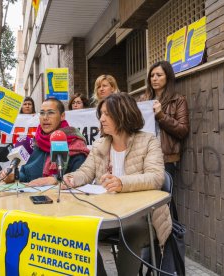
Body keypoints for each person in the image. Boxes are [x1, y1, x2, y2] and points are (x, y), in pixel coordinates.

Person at [63, 93, 172, 276]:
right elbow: (85, 172)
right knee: (77, 233)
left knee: (131, 233)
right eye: (101, 114)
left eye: (107, 114)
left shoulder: (148, 141)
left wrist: (122, 183)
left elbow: (156, 177)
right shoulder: (100, 145)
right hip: (108, 214)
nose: (102, 119)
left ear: (123, 114)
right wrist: (72, 179)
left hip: (143, 216)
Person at [0, 98, 89, 185]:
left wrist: (56, 180)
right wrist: (13, 176)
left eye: (50, 113)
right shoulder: (34, 143)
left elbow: (82, 178)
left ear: (62, 116)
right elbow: (26, 175)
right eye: (42, 113)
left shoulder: (75, 144)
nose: (45, 118)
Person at [139, 60, 189, 180]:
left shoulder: (178, 100)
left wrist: (161, 116)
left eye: (159, 75)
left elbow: (183, 130)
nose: (154, 78)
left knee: (163, 194)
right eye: (152, 75)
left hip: (165, 158)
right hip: (144, 154)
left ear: (168, 77)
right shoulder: (143, 100)